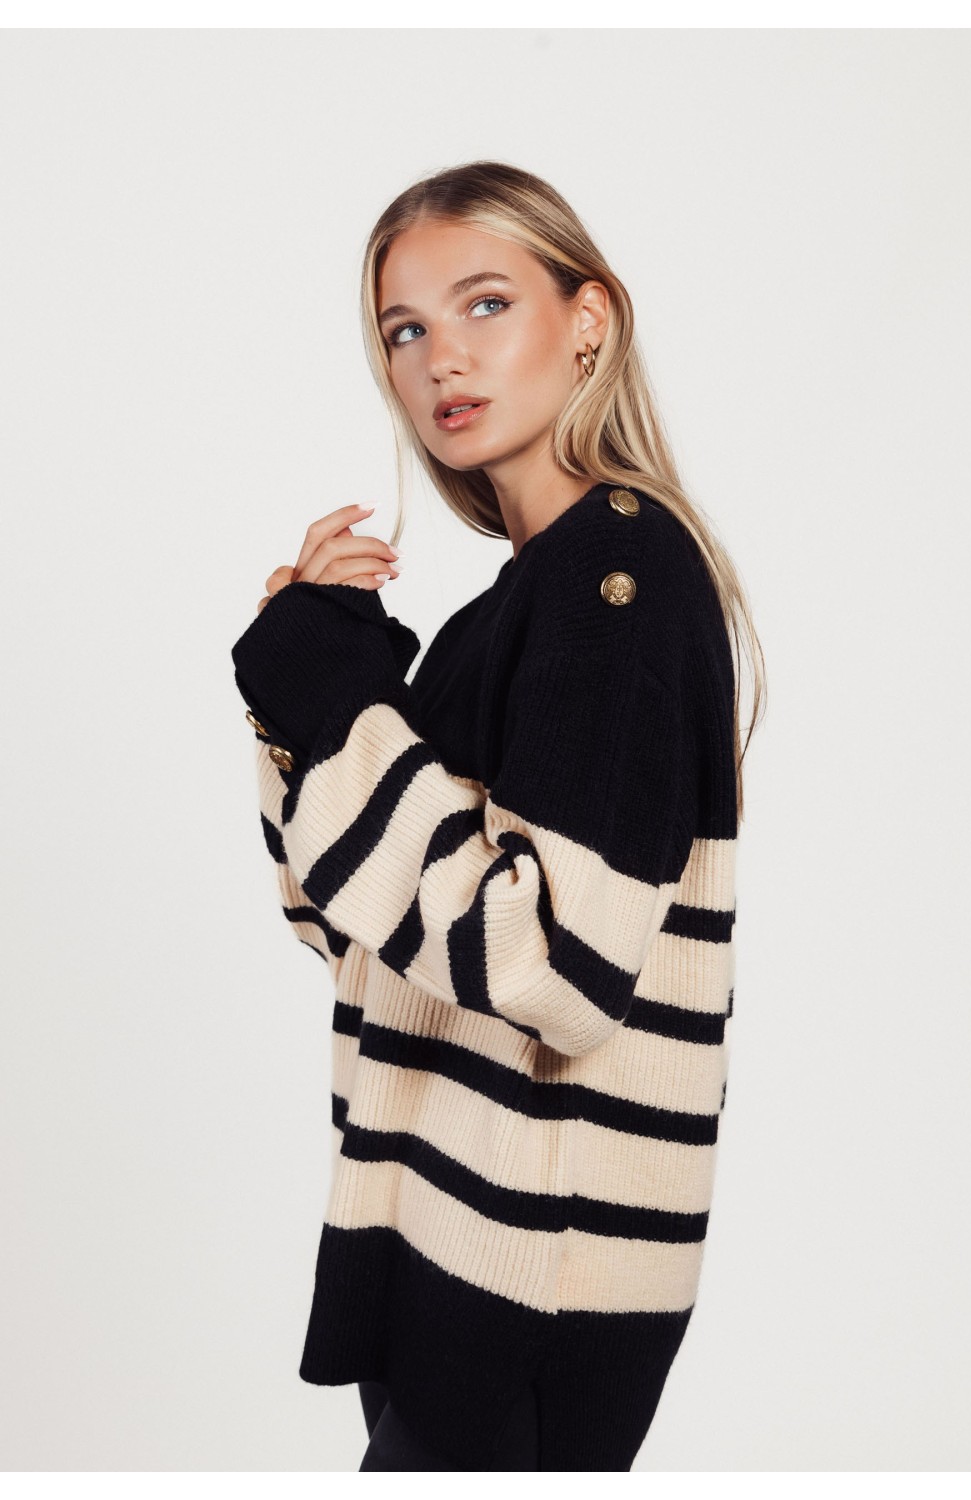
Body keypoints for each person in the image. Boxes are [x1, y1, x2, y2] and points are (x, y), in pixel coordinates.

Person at [230, 159, 765, 1472]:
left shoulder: (617, 578)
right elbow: (349, 929)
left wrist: (343, 698)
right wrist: (306, 692)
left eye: (485, 304)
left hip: (532, 1266)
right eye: (405, 330)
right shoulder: (516, 606)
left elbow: (555, 969)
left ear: (589, 319)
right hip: (445, 1227)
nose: (441, 360)